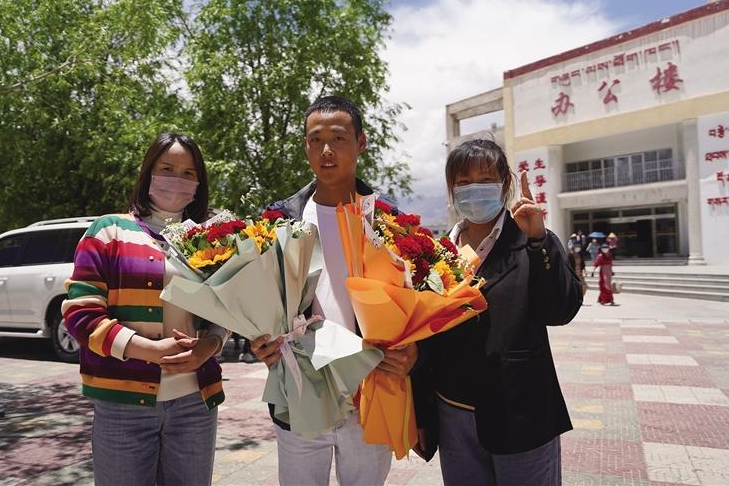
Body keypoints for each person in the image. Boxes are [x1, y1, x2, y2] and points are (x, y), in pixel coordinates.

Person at [249, 96, 417, 485]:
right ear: (305, 146)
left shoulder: (389, 221)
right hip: (300, 389)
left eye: (338, 138)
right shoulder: (279, 220)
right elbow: (256, 300)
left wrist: (414, 352)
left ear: (361, 142)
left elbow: (415, 302)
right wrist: (257, 340)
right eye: (316, 139)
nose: (326, 150)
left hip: (370, 390)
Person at [413, 139, 583, 485]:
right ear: (452, 189)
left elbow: (560, 310)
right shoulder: (437, 254)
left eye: (485, 180)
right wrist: (418, 411)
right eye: (463, 182)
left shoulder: (530, 239)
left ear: (505, 185)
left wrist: (538, 240)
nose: (473, 189)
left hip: (520, 411)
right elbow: (424, 337)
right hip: (453, 413)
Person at [62, 133, 228, 485]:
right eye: (167, 168)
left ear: (199, 183)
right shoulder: (108, 231)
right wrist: (149, 351)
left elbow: (226, 310)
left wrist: (210, 345)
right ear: (148, 172)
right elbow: (80, 314)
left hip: (194, 403)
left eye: (188, 173)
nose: (177, 179)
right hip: (123, 405)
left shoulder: (208, 239)